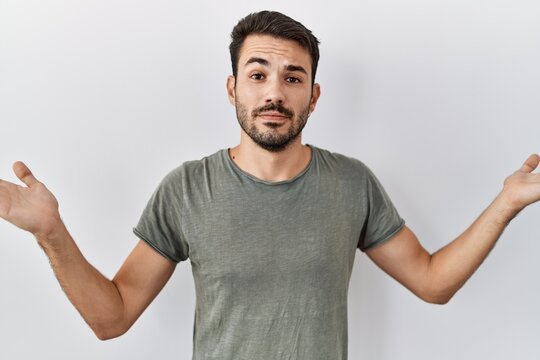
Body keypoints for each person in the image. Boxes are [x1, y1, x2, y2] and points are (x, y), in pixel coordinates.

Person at [0, 10, 539, 360]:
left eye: (292, 77)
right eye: (258, 75)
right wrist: (50, 231)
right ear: (233, 87)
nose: (274, 93)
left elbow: (432, 282)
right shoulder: (186, 189)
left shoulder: (353, 184)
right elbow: (111, 318)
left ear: (314, 95)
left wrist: (508, 201)